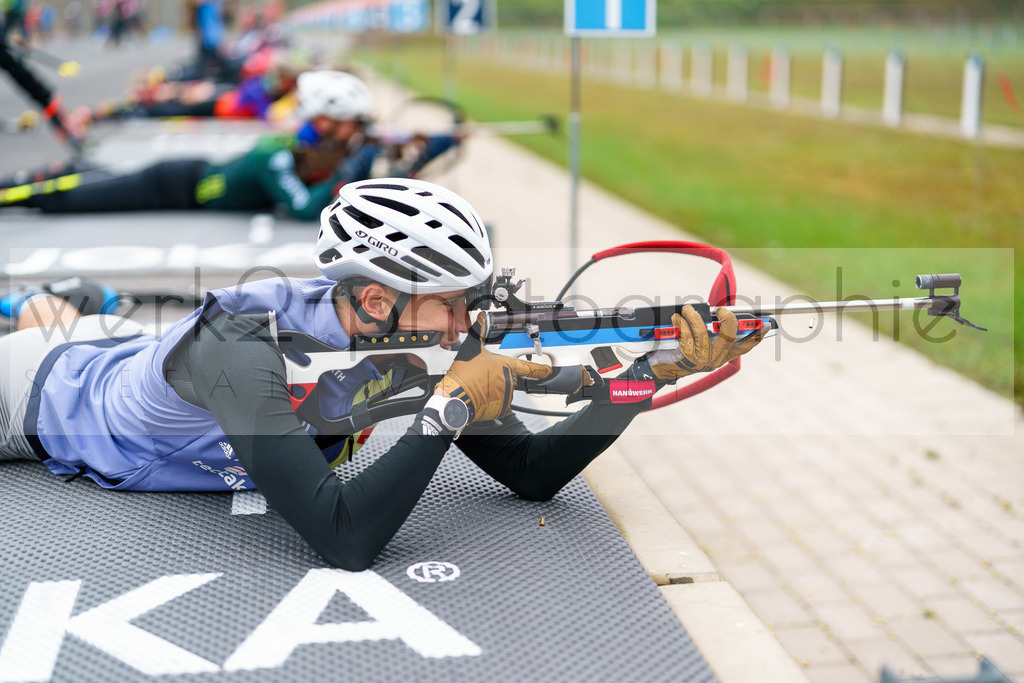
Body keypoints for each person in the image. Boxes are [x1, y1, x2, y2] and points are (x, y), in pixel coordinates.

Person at [0, 178, 766, 570]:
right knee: (51, 336)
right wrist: (447, 412)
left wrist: (647, 372)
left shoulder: (410, 338)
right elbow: (344, 534)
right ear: (376, 298)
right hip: (35, 394)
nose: (471, 327)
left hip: (122, 351)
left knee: (88, 325)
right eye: (456, 306)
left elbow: (532, 473)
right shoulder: (242, 343)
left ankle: (50, 304)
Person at [0, 71, 460, 220]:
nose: (352, 133)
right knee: (72, 197)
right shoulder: (276, 155)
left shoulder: (319, 149)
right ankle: (13, 190)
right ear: (321, 119)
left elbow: (362, 170)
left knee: (85, 185)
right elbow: (304, 207)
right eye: (346, 124)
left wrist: (431, 147)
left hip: (188, 178)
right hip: (173, 185)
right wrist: (353, 167)